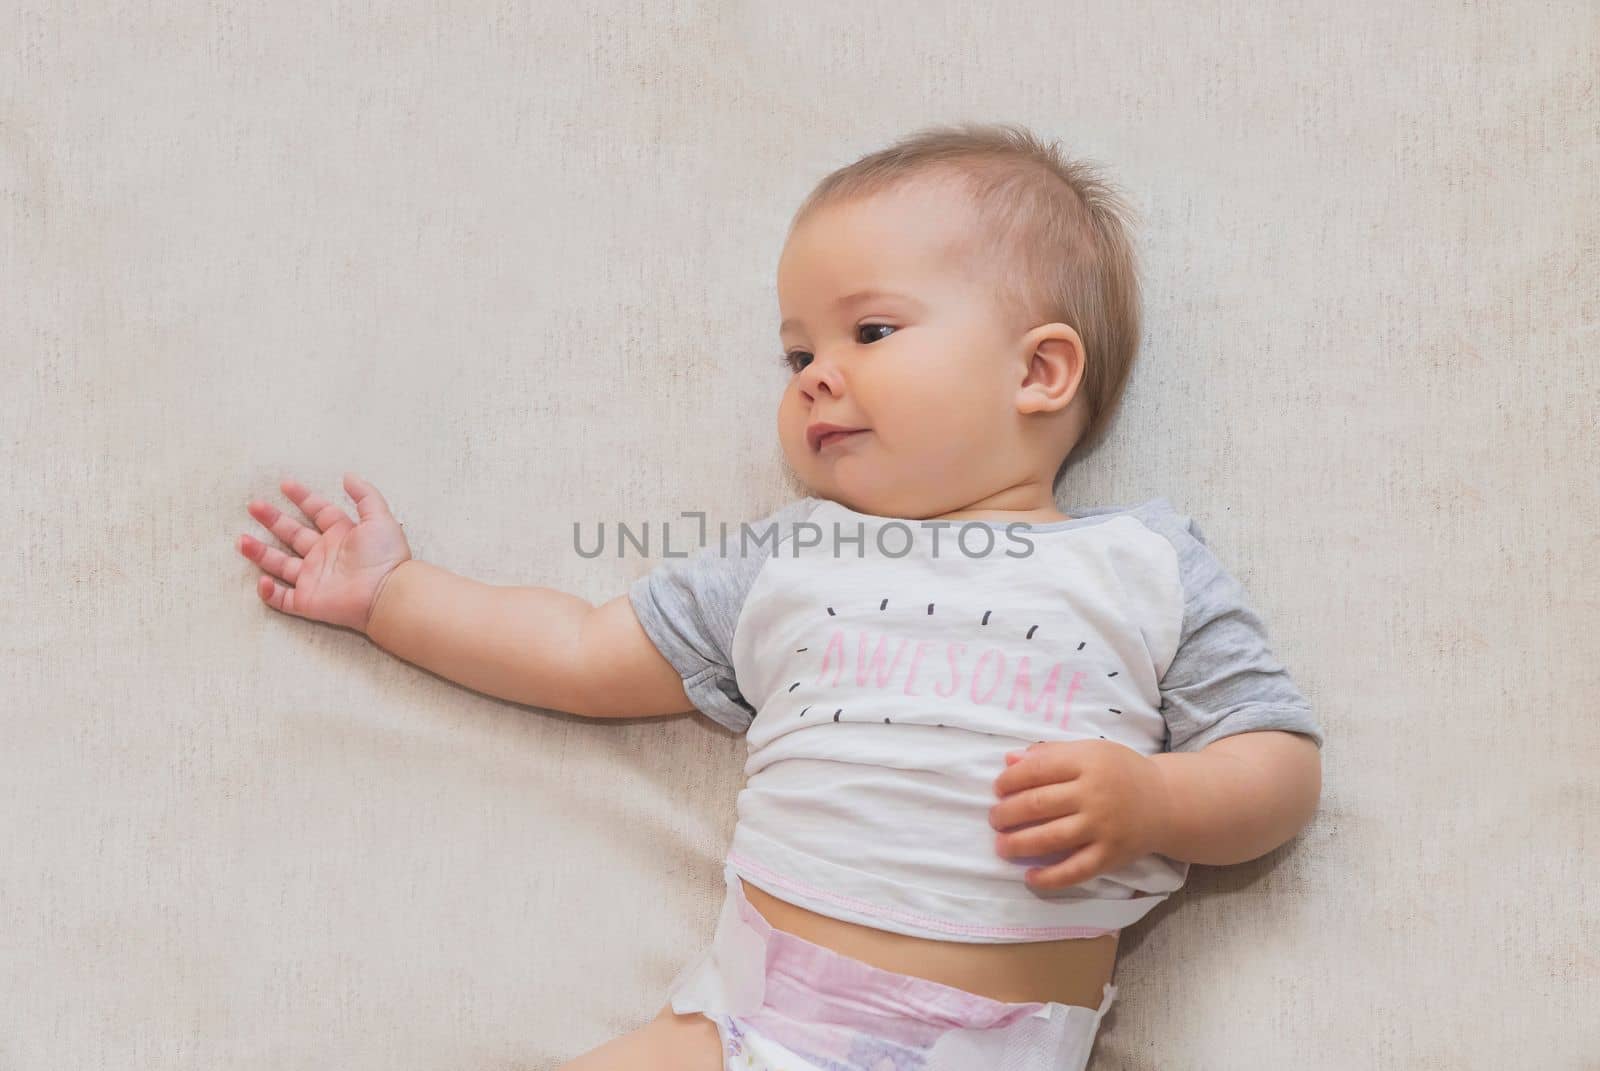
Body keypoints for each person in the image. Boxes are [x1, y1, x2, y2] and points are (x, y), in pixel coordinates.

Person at [236, 121, 1325, 1070]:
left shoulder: (1140, 566)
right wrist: (394, 596)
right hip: (743, 1025)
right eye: (796, 349)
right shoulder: (790, 561)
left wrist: (1156, 803)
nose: (813, 372)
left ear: (1039, 373)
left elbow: (1278, 764)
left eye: (871, 332)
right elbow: (579, 649)